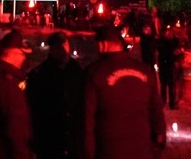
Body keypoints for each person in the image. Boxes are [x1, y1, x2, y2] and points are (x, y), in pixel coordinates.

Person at [84, 25, 166, 159]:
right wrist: (158, 142)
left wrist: (88, 153)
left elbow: (86, 119)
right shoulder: (144, 71)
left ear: (102, 44)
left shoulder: (95, 73)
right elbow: (156, 109)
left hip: (109, 151)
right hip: (142, 150)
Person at [26, 31, 84, 159]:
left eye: (65, 46)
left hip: (73, 142)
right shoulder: (39, 76)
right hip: (49, 141)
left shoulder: (78, 72)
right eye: (59, 47)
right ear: (52, 49)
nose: (64, 51)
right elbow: (33, 110)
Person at [0, 29, 33, 159]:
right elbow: (16, 132)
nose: (24, 59)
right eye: (21, 53)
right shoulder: (8, 86)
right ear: (10, 54)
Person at [155, 25, 182, 110]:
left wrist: (178, 55)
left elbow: (178, 51)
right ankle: (164, 101)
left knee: (171, 84)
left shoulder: (174, 41)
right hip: (164, 63)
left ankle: (171, 103)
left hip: (170, 64)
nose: (167, 34)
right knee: (164, 84)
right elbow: (159, 51)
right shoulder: (160, 41)